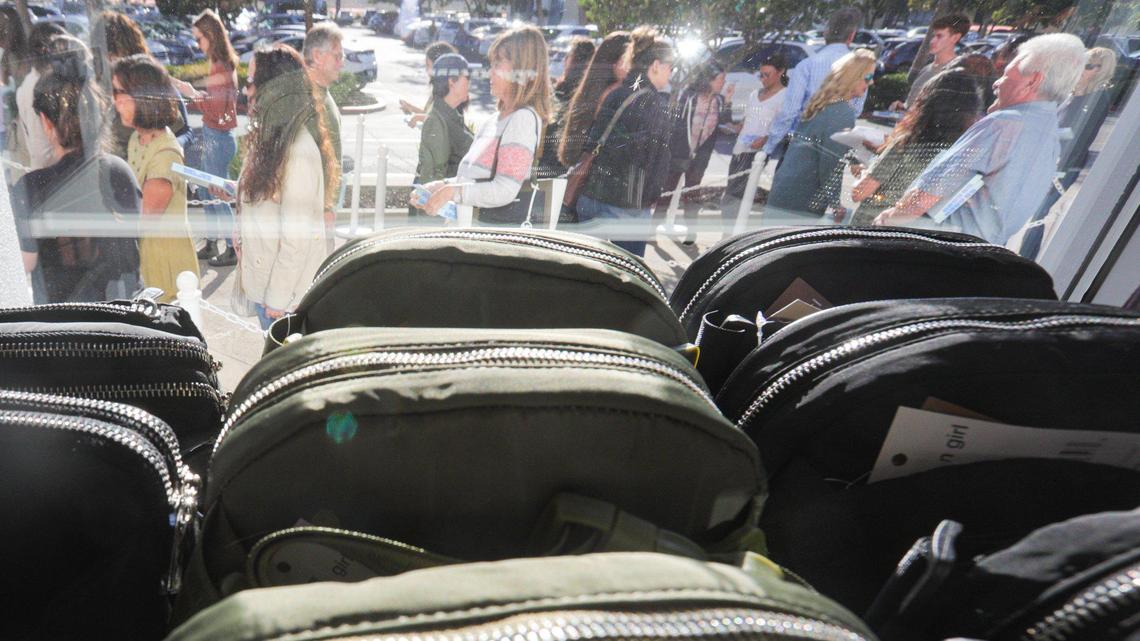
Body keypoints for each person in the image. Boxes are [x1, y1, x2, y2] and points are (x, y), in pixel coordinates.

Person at [873, 34, 1086, 246]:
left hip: (933, 247)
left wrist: (887, 221)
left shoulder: (1004, 125)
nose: (996, 83)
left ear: (1032, 81)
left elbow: (928, 193)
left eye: (1006, 75)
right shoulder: (1049, 136)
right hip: (980, 251)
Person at [10, 36, 141, 303]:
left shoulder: (31, 187)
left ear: (46, 122)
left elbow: (24, 262)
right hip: (123, 314)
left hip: (65, 321)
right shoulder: (119, 170)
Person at [237, 45, 338, 330]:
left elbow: (297, 239)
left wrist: (277, 300)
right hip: (268, 289)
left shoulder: (297, 151)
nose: (245, 89)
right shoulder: (270, 138)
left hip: (284, 302)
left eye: (251, 81)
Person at [421, 26, 551, 226]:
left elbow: (505, 189)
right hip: (470, 232)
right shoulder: (494, 121)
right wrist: (439, 187)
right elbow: (474, 180)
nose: (489, 72)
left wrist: (451, 192)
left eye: (498, 64)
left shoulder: (522, 120)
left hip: (487, 237)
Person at [574, 27, 675, 257]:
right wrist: (650, 197)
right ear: (655, 65)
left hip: (591, 197)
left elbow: (592, 142)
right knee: (627, 273)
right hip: (627, 207)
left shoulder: (616, 94)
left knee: (586, 267)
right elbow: (657, 162)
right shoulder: (654, 104)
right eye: (670, 67)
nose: (671, 73)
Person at [112, 54, 199, 302]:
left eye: (120, 92)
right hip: (146, 257)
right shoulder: (136, 138)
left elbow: (143, 219)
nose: (115, 100)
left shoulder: (165, 154)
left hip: (166, 266)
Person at [1017, 46, 1117, 259]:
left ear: (1100, 71)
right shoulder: (1074, 95)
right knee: (1030, 213)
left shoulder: (1097, 99)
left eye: (1088, 66)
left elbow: (1079, 137)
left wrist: (1055, 165)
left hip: (1062, 165)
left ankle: (1025, 261)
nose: (1081, 69)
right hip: (1046, 161)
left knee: (1039, 215)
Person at [850, 69, 984, 225]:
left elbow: (859, 193)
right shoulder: (962, 153)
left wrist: (863, 171)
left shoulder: (907, 143)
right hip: (917, 233)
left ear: (926, 102)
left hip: (872, 229)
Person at [766, 49, 876, 219]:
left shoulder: (823, 103)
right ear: (854, 76)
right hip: (800, 201)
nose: (871, 82)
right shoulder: (842, 112)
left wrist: (854, 160)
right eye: (868, 77)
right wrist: (836, 205)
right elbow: (830, 163)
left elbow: (819, 143)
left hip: (782, 190)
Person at [170, 9, 238, 267]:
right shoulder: (222, 63)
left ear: (211, 35)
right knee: (205, 190)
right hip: (218, 137)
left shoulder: (220, 66)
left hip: (217, 138)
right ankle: (213, 242)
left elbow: (216, 110)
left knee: (217, 195)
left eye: (199, 38)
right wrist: (196, 94)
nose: (197, 44)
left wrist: (192, 94)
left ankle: (231, 247)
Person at [762, 7, 863, 159]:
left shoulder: (806, 65)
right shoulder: (860, 69)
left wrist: (769, 147)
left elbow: (789, 112)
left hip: (800, 145)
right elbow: (855, 111)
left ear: (825, 33)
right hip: (833, 148)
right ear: (851, 35)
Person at [92, 10, 193, 160]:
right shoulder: (97, 82)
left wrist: (164, 151)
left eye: (113, 55)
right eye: (105, 55)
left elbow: (184, 131)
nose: (109, 61)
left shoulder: (151, 80)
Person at [661, 59, 734, 244]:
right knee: (668, 191)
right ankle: (652, 229)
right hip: (680, 152)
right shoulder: (690, 97)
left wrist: (728, 100)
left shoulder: (719, 100)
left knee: (692, 193)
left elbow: (725, 122)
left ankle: (691, 233)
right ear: (709, 80)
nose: (723, 83)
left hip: (701, 156)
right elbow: (677, 123)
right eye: (720, 79)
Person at [720, 55, 786, 225]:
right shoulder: (754, 94)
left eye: (767, 75)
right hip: (740, 148)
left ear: (780, 72)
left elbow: (783, 127)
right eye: (760, 75)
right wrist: (733, 127)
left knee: (738, 195)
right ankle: (728, 231)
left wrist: (766, 139)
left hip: (757, 153)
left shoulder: (785, 97)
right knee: (731, 192)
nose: (763, 79)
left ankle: (732, 231)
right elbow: (746, 121)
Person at [557, 31, 631, 167]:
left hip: (576, 167)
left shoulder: (591, 90)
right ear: (614, 62)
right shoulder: (614, 93)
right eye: (629, 59)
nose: (632, 67)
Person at [412, 53, 473, 206]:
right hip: (441, 214)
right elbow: (431, 181)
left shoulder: (451, 116)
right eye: (467, 77)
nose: (470, 83)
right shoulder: (437, 121)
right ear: (452, 81)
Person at [303, 22, 346, 238]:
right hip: (310, 219)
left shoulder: (320, 94)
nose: (341, 63)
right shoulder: (303, 99)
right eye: (337, 56)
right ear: (317, 56)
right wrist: (326, 208)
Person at [536, 36, 594, 179]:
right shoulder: (590, 97)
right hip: (569, 169)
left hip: (546, 166)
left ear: (569, 60)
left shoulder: (555, 92)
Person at [891, 14, 970, 110]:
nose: (932, 41)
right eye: (933, 36)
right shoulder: (926, 69)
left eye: (939, 36)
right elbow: (911, 106)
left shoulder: (957, 74)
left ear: (955, 38)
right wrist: (902, 107)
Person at [18, 22, 66, 171]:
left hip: (44, 168)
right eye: (62, 48)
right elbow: (43, 148)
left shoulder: (26, 85)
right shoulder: (42, 86)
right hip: (56, 170)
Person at [400, 41, 458, 128]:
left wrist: (417, 117)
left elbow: (442, 120)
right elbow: (428, 114)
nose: (426, 69)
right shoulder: (439, 88)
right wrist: (411, 108)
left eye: (428, 64)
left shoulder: (450, 91)